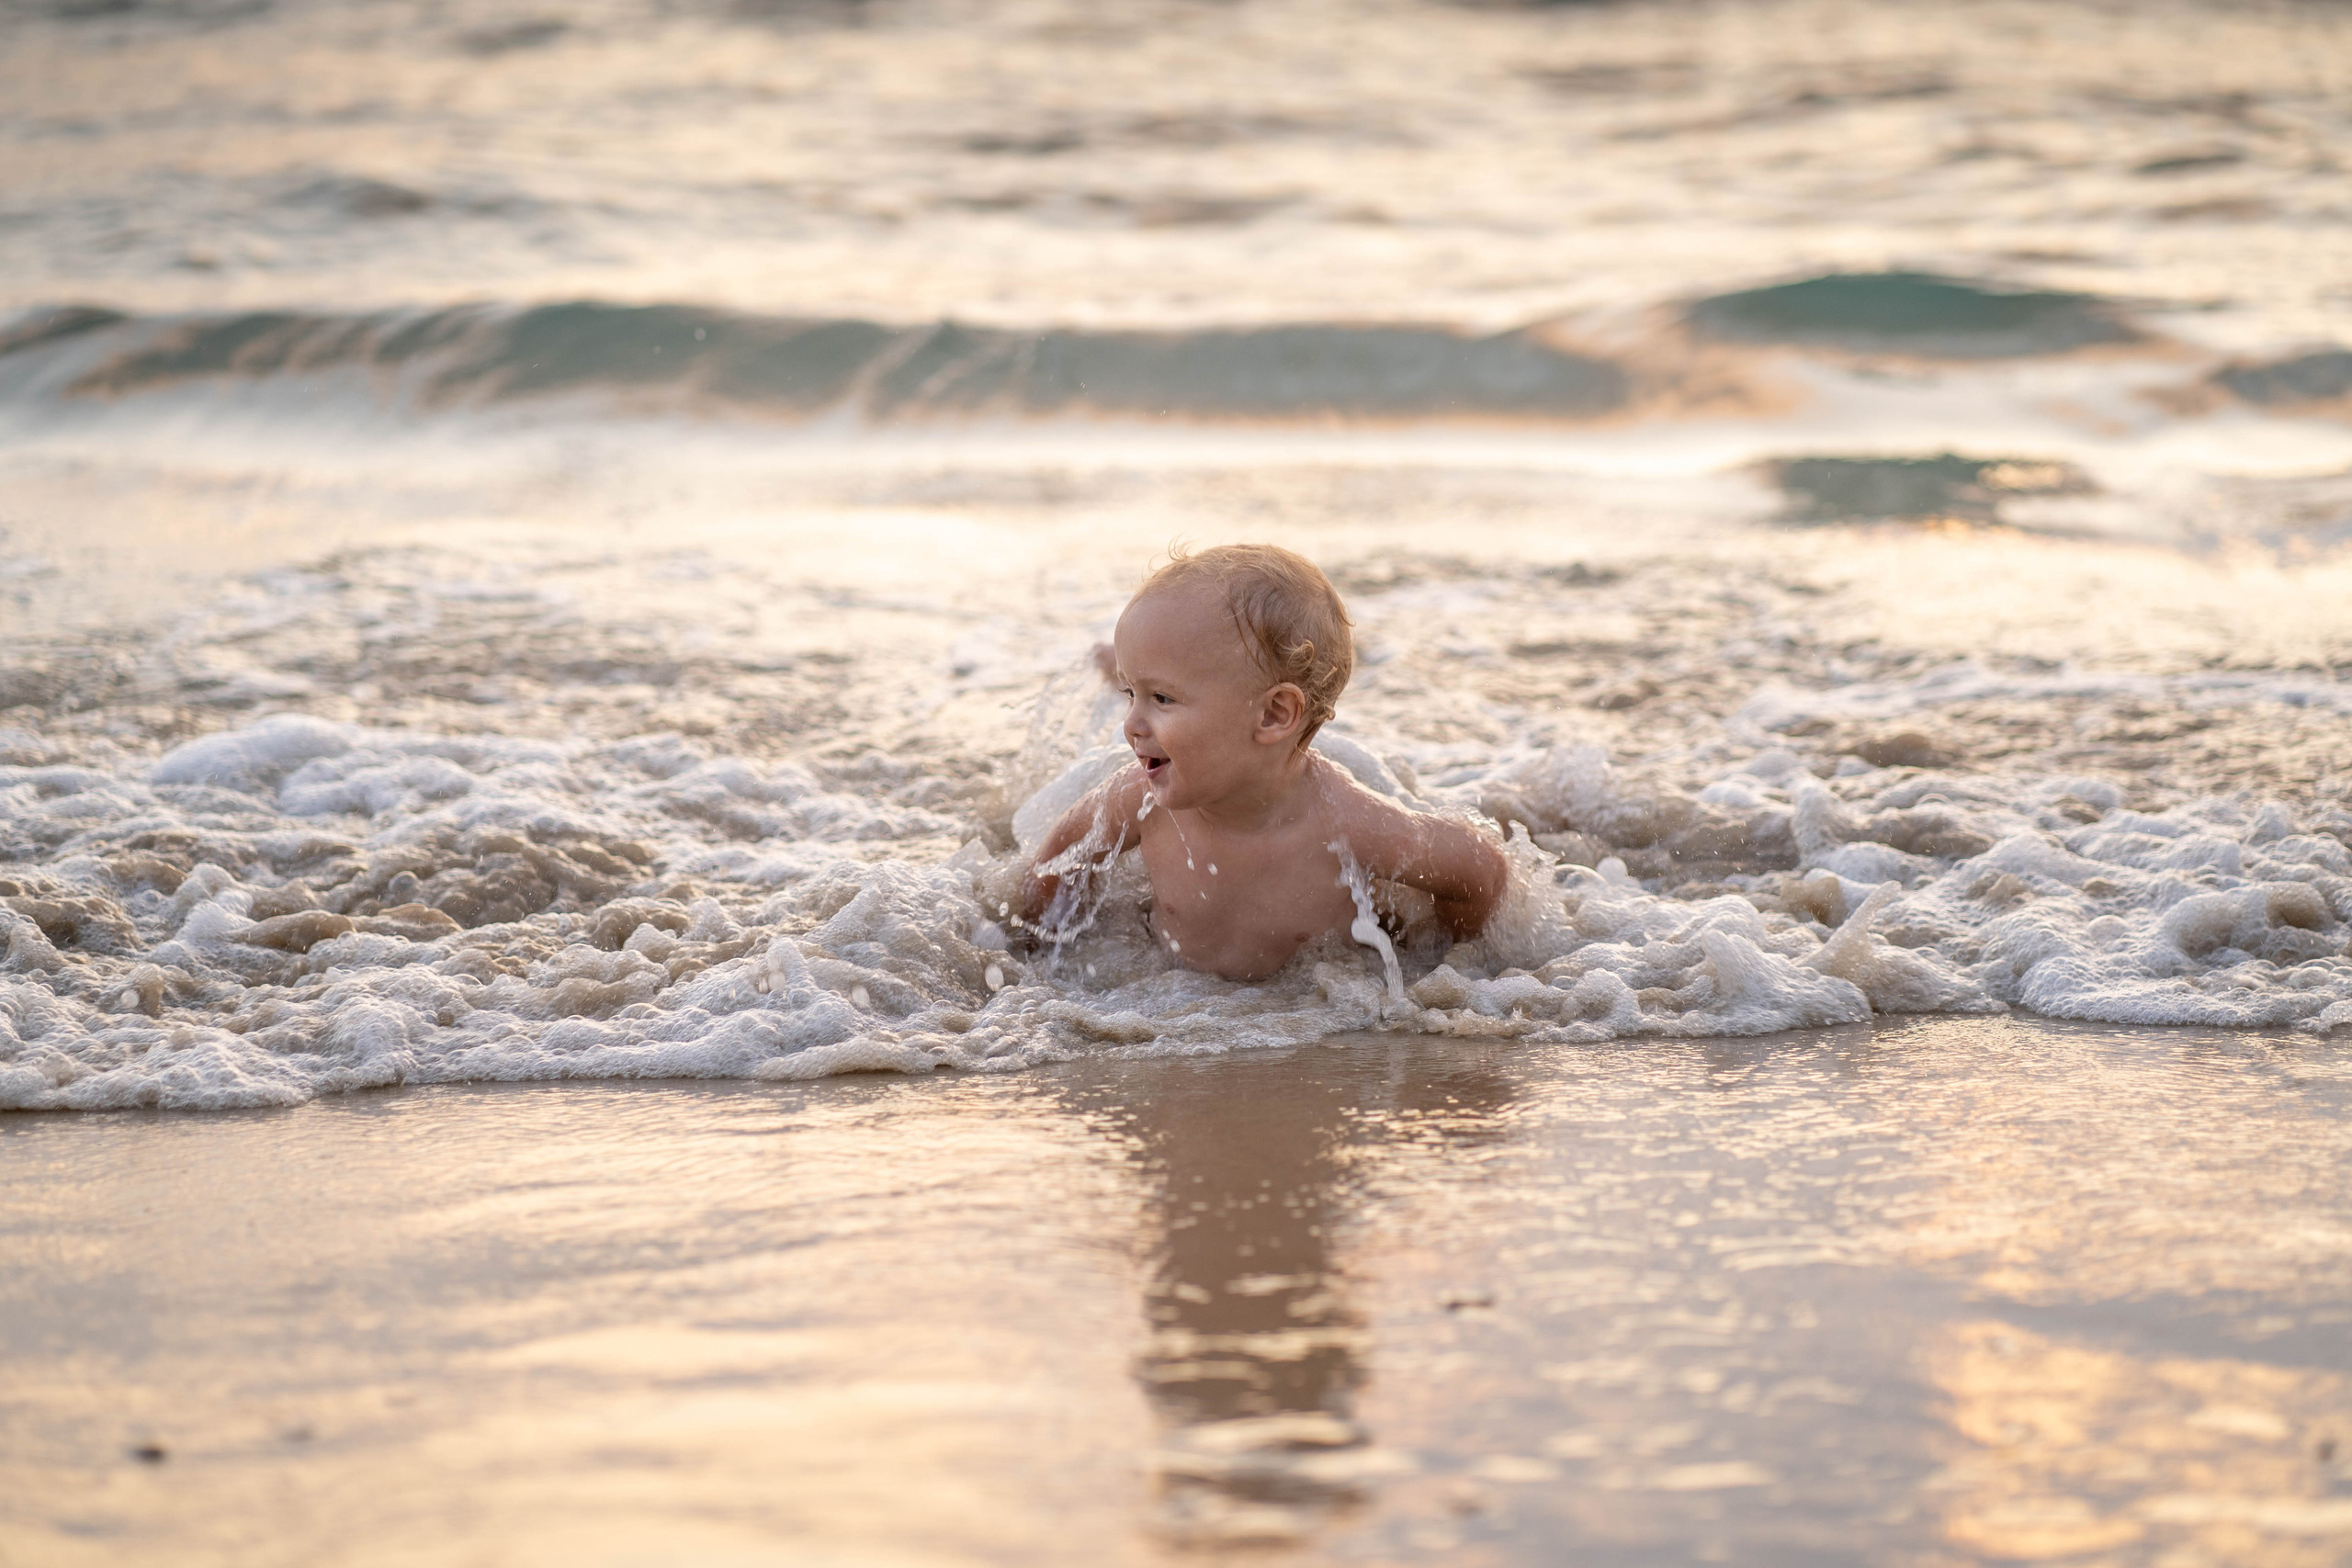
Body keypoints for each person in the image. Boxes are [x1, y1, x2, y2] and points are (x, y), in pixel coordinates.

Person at [1018, 544, 1506, 981]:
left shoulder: (1348, 824)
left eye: (1161, 697)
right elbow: (1055, 868)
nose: (1131, 725)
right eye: (1131, 694)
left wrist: (1442, 962)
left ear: (1274, 714)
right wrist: (1034, 956)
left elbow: (1480, 869)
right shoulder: (1138, 800)